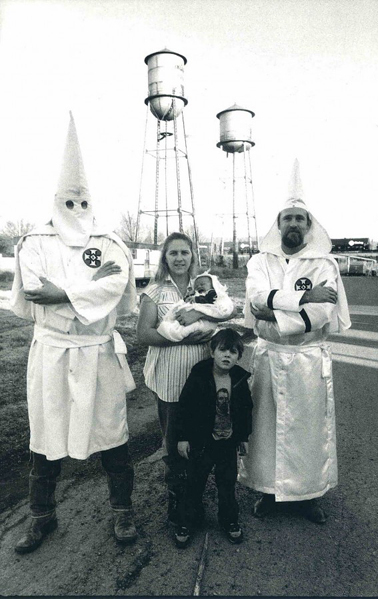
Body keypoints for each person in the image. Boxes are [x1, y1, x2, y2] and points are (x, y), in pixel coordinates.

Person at [10, 112, 138, 554]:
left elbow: (115, 283)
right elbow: (35, 291)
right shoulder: (34, 241)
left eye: (83, 202)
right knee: (45, 437)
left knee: (111, 435)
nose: (77, 211)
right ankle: (41, 517)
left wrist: (64, 289)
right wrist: (84, 288)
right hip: (52, 354)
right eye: (69, 202)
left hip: (97, 353)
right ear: (55, 201)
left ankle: (122, 513)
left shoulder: (110, 242)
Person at [238, 160, 351, 524]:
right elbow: (256, 297)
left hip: (306, 361)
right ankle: (270, 493)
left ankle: (308, 496)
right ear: (279, 223)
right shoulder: (260, 260)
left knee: (307, 432)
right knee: (267, 430)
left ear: (309, 225)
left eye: (300, 219)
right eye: (287, 218)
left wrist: (275, 311)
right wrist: (302, 299)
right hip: (270, 359)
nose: (293, 225)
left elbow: (323, 313)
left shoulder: (323, 264)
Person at [136, 233, 236, 524]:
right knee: (174, 444)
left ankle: (197, 497)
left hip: (205, 377)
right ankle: (179, 502)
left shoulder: (204, 287)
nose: (179, 258)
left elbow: (224, 312)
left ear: (193, 256)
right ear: (164, 258)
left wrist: (204, 318)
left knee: (202, 439)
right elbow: (143, 334)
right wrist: (184, 341)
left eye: (184, 253)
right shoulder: (155, 291)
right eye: (173, 253)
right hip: (170, 377)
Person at [174, 328, 253, 548]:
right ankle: (187, 522)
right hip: (201, 442)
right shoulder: (199, 375)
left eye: (234, 352)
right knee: (194, 483)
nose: (228, 355)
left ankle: (229, 520)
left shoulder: (239, 378)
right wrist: (182, 437)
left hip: (227, 443)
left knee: (227, 485)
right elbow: (185, 407)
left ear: (239, 356)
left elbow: (246, 409)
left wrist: (243, 437)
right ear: (212, 352)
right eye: (223, 350)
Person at [157, 272, 235, 342]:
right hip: (191, 319)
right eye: (196, 286)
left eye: (202, 284)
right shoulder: (197, 294)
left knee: (189, 328)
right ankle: (171, 329)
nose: (199, 286)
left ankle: (175, 333)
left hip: (206, 321)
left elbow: (209, 301)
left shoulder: (212, 293)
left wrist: (197, 305)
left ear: (212, 285)